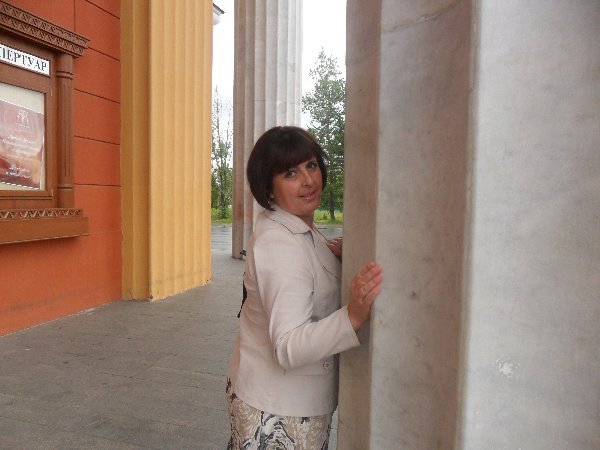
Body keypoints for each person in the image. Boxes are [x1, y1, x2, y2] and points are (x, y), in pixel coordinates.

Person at [226, 126, 383, 449]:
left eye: (311, 165)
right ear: (268, 189)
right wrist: (353, 316)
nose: (308, 180)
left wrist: (333, 254)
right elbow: (289, 346)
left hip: (281, 400)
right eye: (290, 173)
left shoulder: (296, 227)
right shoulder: (281, 245)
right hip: (279, 411)